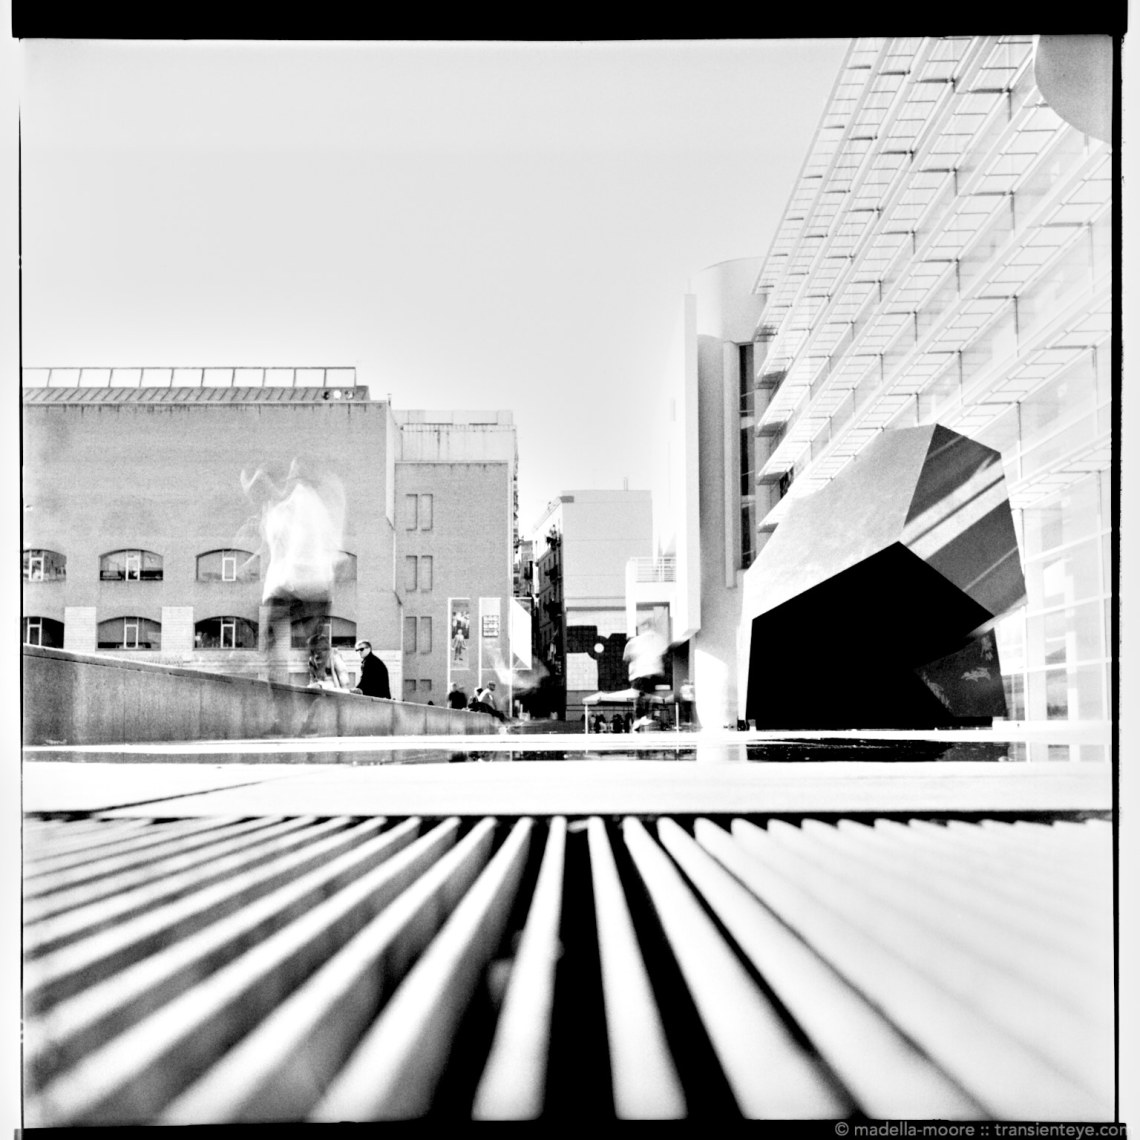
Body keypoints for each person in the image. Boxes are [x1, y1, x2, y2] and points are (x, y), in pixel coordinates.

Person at [623, 621, 669, 725]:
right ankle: (644, 717)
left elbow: (627, 657)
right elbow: (664, 652)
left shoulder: (634, 641)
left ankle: (640, 717)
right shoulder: (658, 638)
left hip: (640, 672)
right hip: (653, 672)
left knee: (641, 695)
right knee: (648, 695)